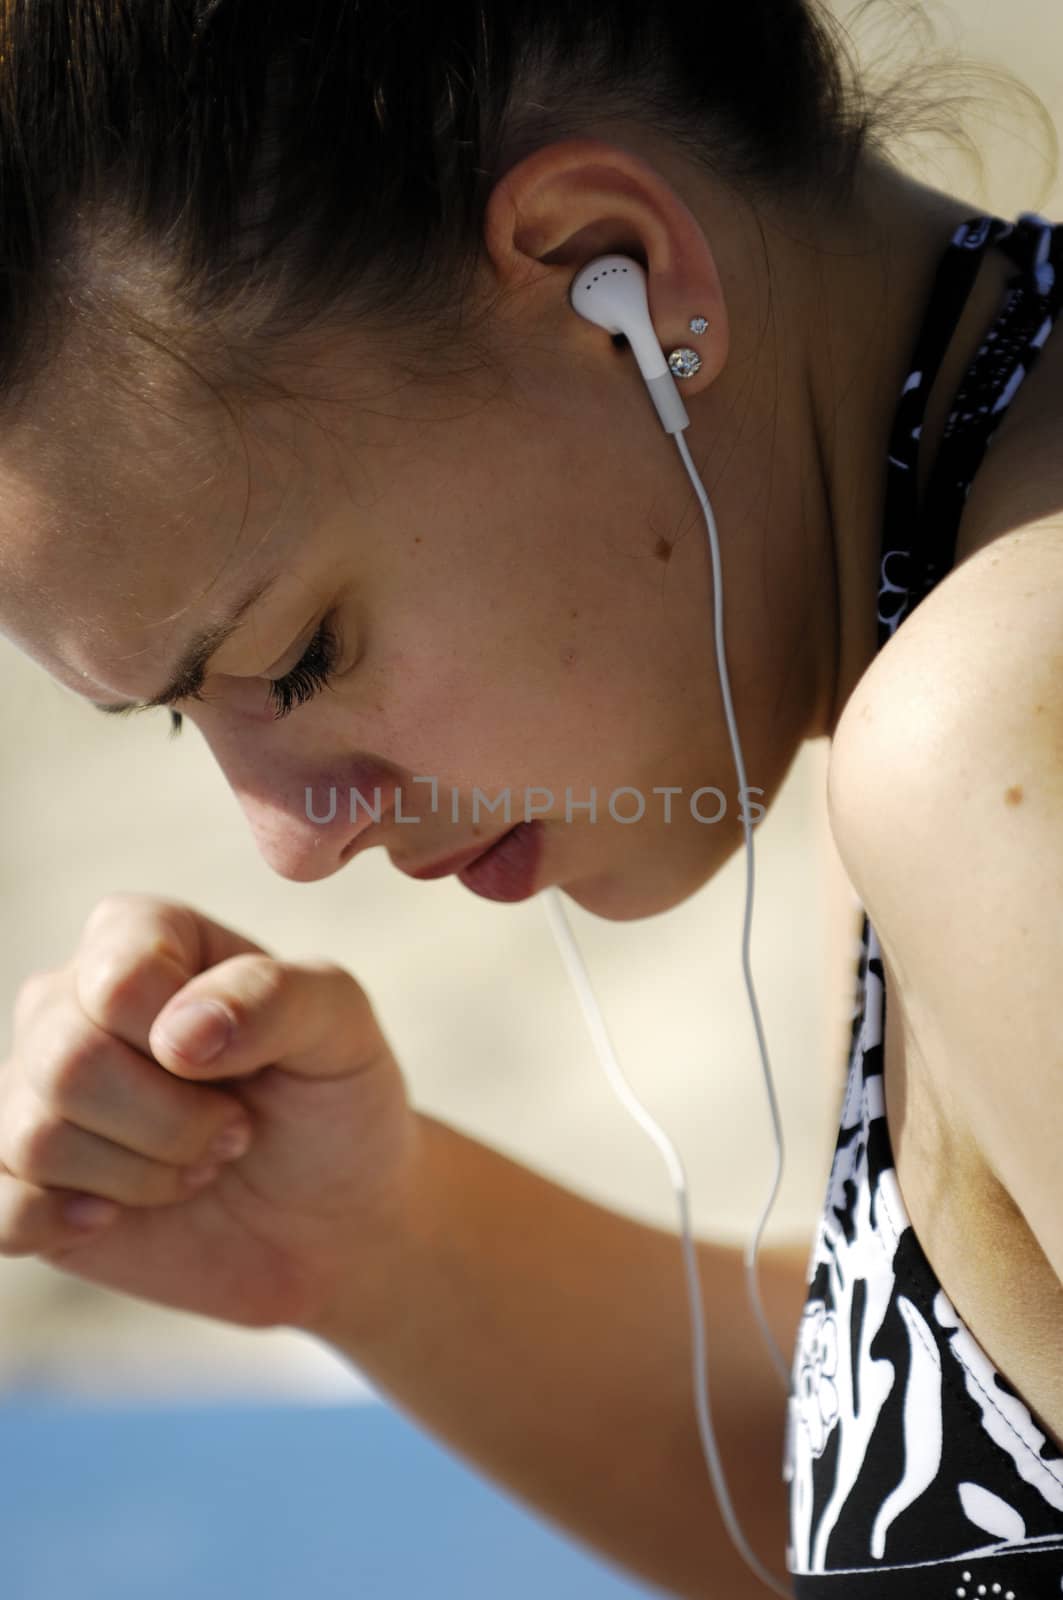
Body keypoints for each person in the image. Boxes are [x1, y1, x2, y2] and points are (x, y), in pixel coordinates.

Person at [0, 2, 1059, 1595]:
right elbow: (963, 1462)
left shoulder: (992, 735)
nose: (293, 842)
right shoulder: (938, 582)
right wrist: (373, 1248)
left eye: (297, 661)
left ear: (610, 276)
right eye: (178, 723)